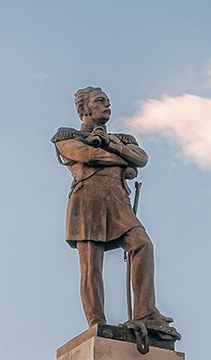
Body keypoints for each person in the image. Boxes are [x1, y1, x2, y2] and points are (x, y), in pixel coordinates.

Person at [54, 86, 171, 337]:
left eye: (108, 102)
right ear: (84, 109)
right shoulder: (66, 136)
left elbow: (140, 158)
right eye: (100, 101)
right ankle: (97, 323)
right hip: (87, 203)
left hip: (118, 203)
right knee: (91, 266)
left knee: (142, 245)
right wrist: (120, 155)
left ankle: (146, 313)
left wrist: (112, 144)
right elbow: (86, 155)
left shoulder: (122, 138)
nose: (107, 106)